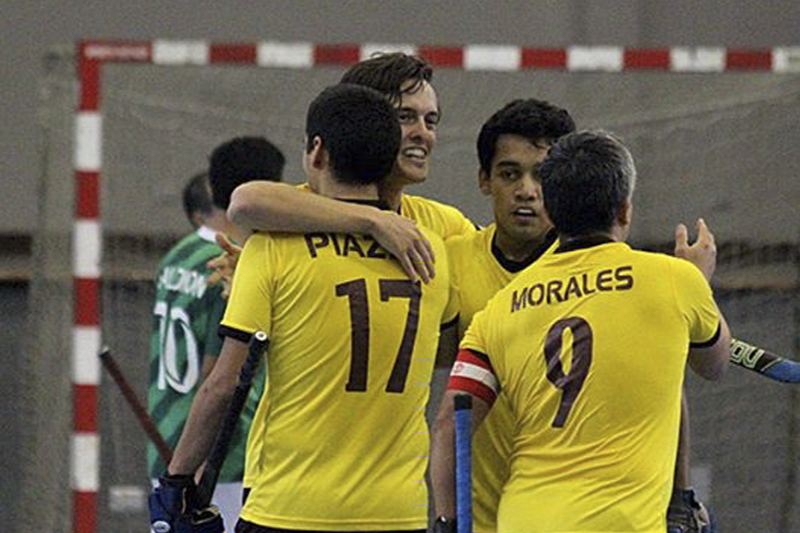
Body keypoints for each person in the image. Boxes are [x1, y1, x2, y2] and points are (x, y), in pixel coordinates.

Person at [150, 83, 456, 533]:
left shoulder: (274, 247)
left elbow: (223, 385)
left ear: (317, 151)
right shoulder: (431, 252)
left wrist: (177, 479)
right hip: (396, 511)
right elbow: (444, 348)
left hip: (288, 505)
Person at [430, 130, 730, 533]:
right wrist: (698, 283)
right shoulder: (674, 280)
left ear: (551, 212)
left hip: (522, 520)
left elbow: (450, 425)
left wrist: (446, 522)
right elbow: (714, 364)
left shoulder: (499, 308)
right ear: (624, 210)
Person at [437, 98, 574, 533]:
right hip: (477, 516)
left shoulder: (592, 270)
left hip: (570, 514)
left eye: (542, 175)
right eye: (510, 174)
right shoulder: (451, 261)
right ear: (485, 180)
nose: (527, 191)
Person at [226, 52, 477, 284]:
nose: (424, 133)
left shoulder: (443, 224)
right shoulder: (291, 213)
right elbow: (246, 201)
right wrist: (374, 220)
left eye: (431, 121)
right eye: (405, 117)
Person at [147, 137, 285, 530]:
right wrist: (200, 462)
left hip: (168, 440)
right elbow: (219, 373)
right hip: (220, 456)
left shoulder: (177, 255)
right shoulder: (231, 264)